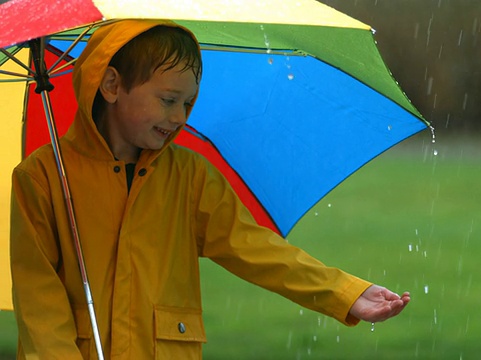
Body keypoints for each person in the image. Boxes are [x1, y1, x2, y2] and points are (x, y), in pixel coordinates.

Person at [10, 19, 410, 359]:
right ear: (112, 85)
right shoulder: (43, 177)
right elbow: (39, 302)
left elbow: (256, 248)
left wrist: (345, 292)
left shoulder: (190, 177)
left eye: (188, 104)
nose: (178, 117)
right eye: (168, 100)